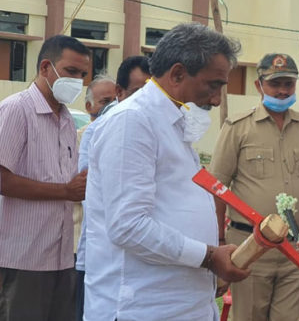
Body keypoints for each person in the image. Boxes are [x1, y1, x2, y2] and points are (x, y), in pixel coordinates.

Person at [83, 23, 249, 321]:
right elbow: (129, 226)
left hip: (181, 306)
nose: (216, 99)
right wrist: (209, 257)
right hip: (141, 308)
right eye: (213, 85)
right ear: (177, 74)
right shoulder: (133, 121)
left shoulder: (171, 122)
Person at [209, 53, 299, 321]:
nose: (283, 90)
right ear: (259, 85)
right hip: (250, 246)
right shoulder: (237, 128)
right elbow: (217, 187)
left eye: (289, 83)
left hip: (296, 248)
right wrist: (217, 241)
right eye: (275, 84)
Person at [0, 35, 90, 321]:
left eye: (83, 74)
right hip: (21, 258)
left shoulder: (66, 119)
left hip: (62, 257)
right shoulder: (16, 109)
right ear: (45, 68)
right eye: (71, 71)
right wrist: (66, 191)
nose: (78, 80)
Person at [74, 56, 151, 320]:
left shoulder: (159, 128)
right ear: (122, 92)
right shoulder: (96, 132)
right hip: (102, 253)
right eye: (139, 91)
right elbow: (86, 187)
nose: (145, 98)